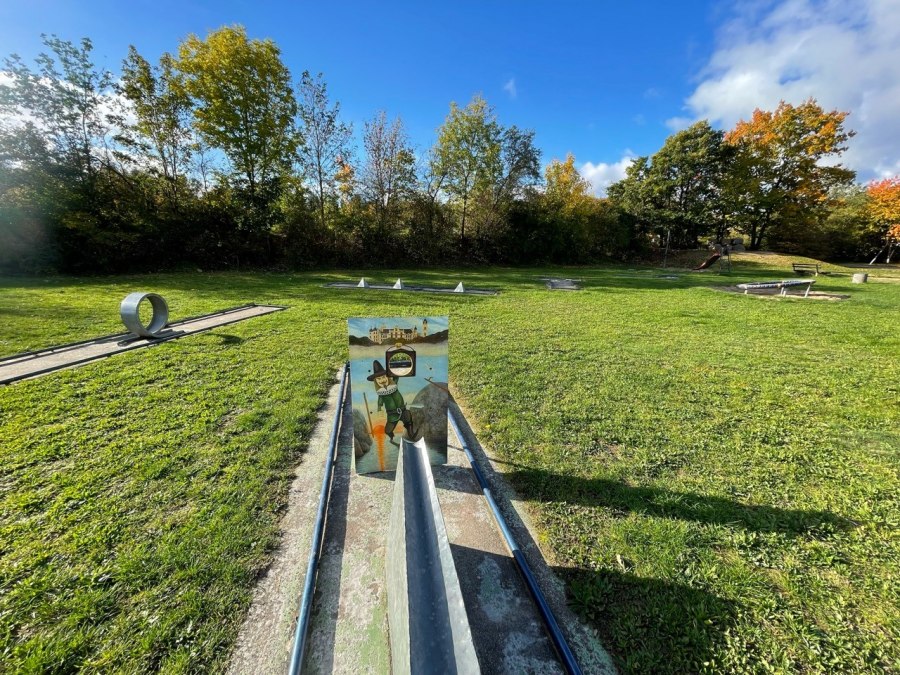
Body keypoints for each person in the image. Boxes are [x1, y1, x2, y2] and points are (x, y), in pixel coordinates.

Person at [367, 360, 415, 445]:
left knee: (408, 417)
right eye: (379, 379)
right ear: (375, 381)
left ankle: (411, 434)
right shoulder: (381, 393)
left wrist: (395, 370)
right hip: (392, 415)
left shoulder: (393, 385)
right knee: (387, 430)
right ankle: (392, 437)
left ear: (388, 377)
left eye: (384, 377)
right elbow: (380, 401)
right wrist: (379, 408)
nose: (382, 380)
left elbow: (396, 377)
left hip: (402, 410)